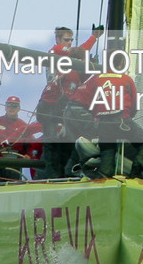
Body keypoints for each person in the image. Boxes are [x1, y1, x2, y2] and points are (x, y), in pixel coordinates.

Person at [36, 25, 101, 177]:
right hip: (51, 106)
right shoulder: (56, 51)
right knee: (53, 144)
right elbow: (79, 51)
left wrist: (89, 68)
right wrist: (94, 37)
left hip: (66, 107)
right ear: (58, 39)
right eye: (66, 40)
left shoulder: (71, 65)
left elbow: (79, 79)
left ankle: (66, 175)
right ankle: (49, 179)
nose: (69, 43)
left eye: (71, 40)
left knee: (68, 143)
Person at [0, 96, 42, 178]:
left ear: (19, 108)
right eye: (9, 105)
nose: (11, 108)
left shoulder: (23, 126)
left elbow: (32, 145)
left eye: (15, 106)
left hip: (14, 161)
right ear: (5, 107)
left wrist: (28, 154)